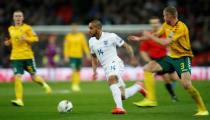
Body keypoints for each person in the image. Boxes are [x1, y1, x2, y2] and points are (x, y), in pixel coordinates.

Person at [132, 6, 208, 116]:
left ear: (170, 16)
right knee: (148, 68)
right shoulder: (166, 25)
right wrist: (140, 39)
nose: (163, 17)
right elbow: (156, 35)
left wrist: (149, 36)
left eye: (164, 15)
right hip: (171, 57)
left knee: (186, 85)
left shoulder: (180, 28)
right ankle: (151, 99)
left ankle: (202, 109)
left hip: (183, 58)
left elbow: (165, 43)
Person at [88, 20, 146, 114]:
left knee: (111, 80)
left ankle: (120, 108)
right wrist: (94, 72)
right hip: (107, 69)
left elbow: (127, 46)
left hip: (115, 63)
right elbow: (94, 58)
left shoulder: (111, 36)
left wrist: (133, 58)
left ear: (98, 28)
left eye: (91, 28)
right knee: (122, 95)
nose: (89, 30)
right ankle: (138, 86)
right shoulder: (91, 41)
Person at [4, 10, 52, 107]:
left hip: (28, 57)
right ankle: (19, 100)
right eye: (16, 16)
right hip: (16, 57)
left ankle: (45, 85)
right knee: (17, 77)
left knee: (33, 77)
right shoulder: (10, 29)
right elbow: (13, 39)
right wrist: (8, 42)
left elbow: (35, 38)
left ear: (23, 18)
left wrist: (26, 39)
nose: (18, 18)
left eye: (19, 16)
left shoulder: (27, 28)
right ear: (13, 18)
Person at [128, 17, 179, 105]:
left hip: (167, 58)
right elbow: (143, 51)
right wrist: (148, 60)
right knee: (165, 78)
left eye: (156, 22)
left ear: (159, 23)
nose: (154, 24)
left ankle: (151, 99)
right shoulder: (149, 36)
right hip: (155, 60)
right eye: (152, 23)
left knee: (174, 78)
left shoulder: (165, 32)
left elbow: (168, 43)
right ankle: (171, 96)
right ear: (150, 24)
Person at [63, 24, 90, 92]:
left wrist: (87, 54)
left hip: (79, 56)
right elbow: (66, 47)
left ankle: (77, 84)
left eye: (75, 28)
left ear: (77, 29)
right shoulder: (68, 36)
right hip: (72, 56)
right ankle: (74, 85)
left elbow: (84, 45)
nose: (74, 29)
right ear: (71, 29)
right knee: (73, 70)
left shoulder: (81, 36)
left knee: (78, 70)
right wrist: (66, 56)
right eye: (72, 28)